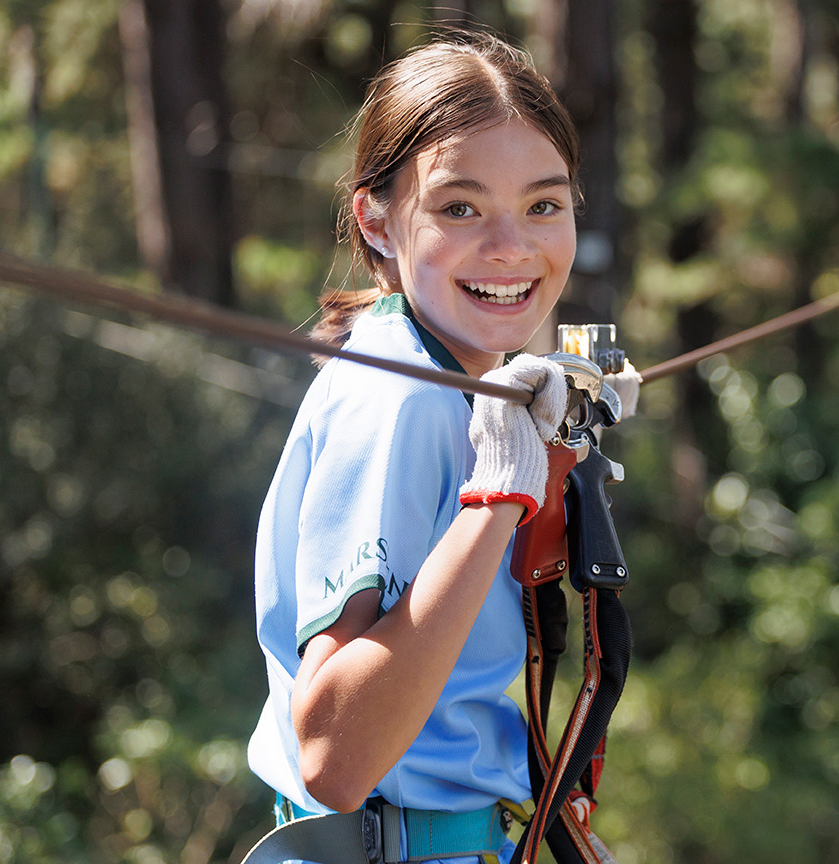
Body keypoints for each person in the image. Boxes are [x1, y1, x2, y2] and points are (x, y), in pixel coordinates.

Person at [246, 31, 601, 864]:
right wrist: (496, 498)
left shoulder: (444, 374)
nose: (512, 248)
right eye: (459, 207)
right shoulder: (400, 396)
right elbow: (335, 759)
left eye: (544, 205)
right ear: (376, 220)